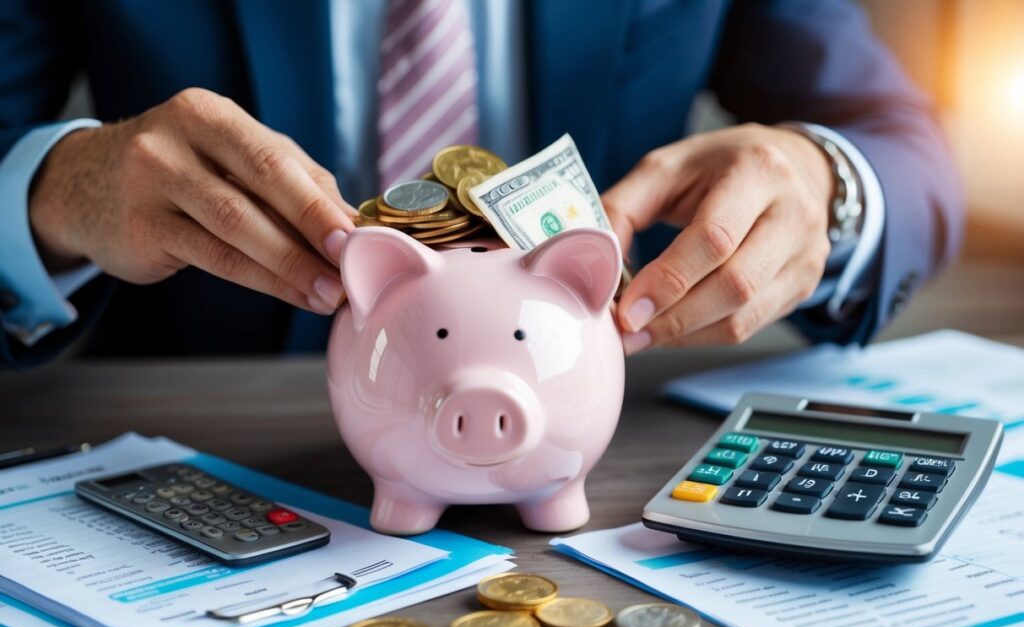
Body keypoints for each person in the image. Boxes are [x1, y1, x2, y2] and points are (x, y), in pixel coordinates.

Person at [0, 0, 961, 369]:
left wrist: (823, 184)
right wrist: (51, 199)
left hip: (597, 426)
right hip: (219, 440)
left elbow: (904, 142)